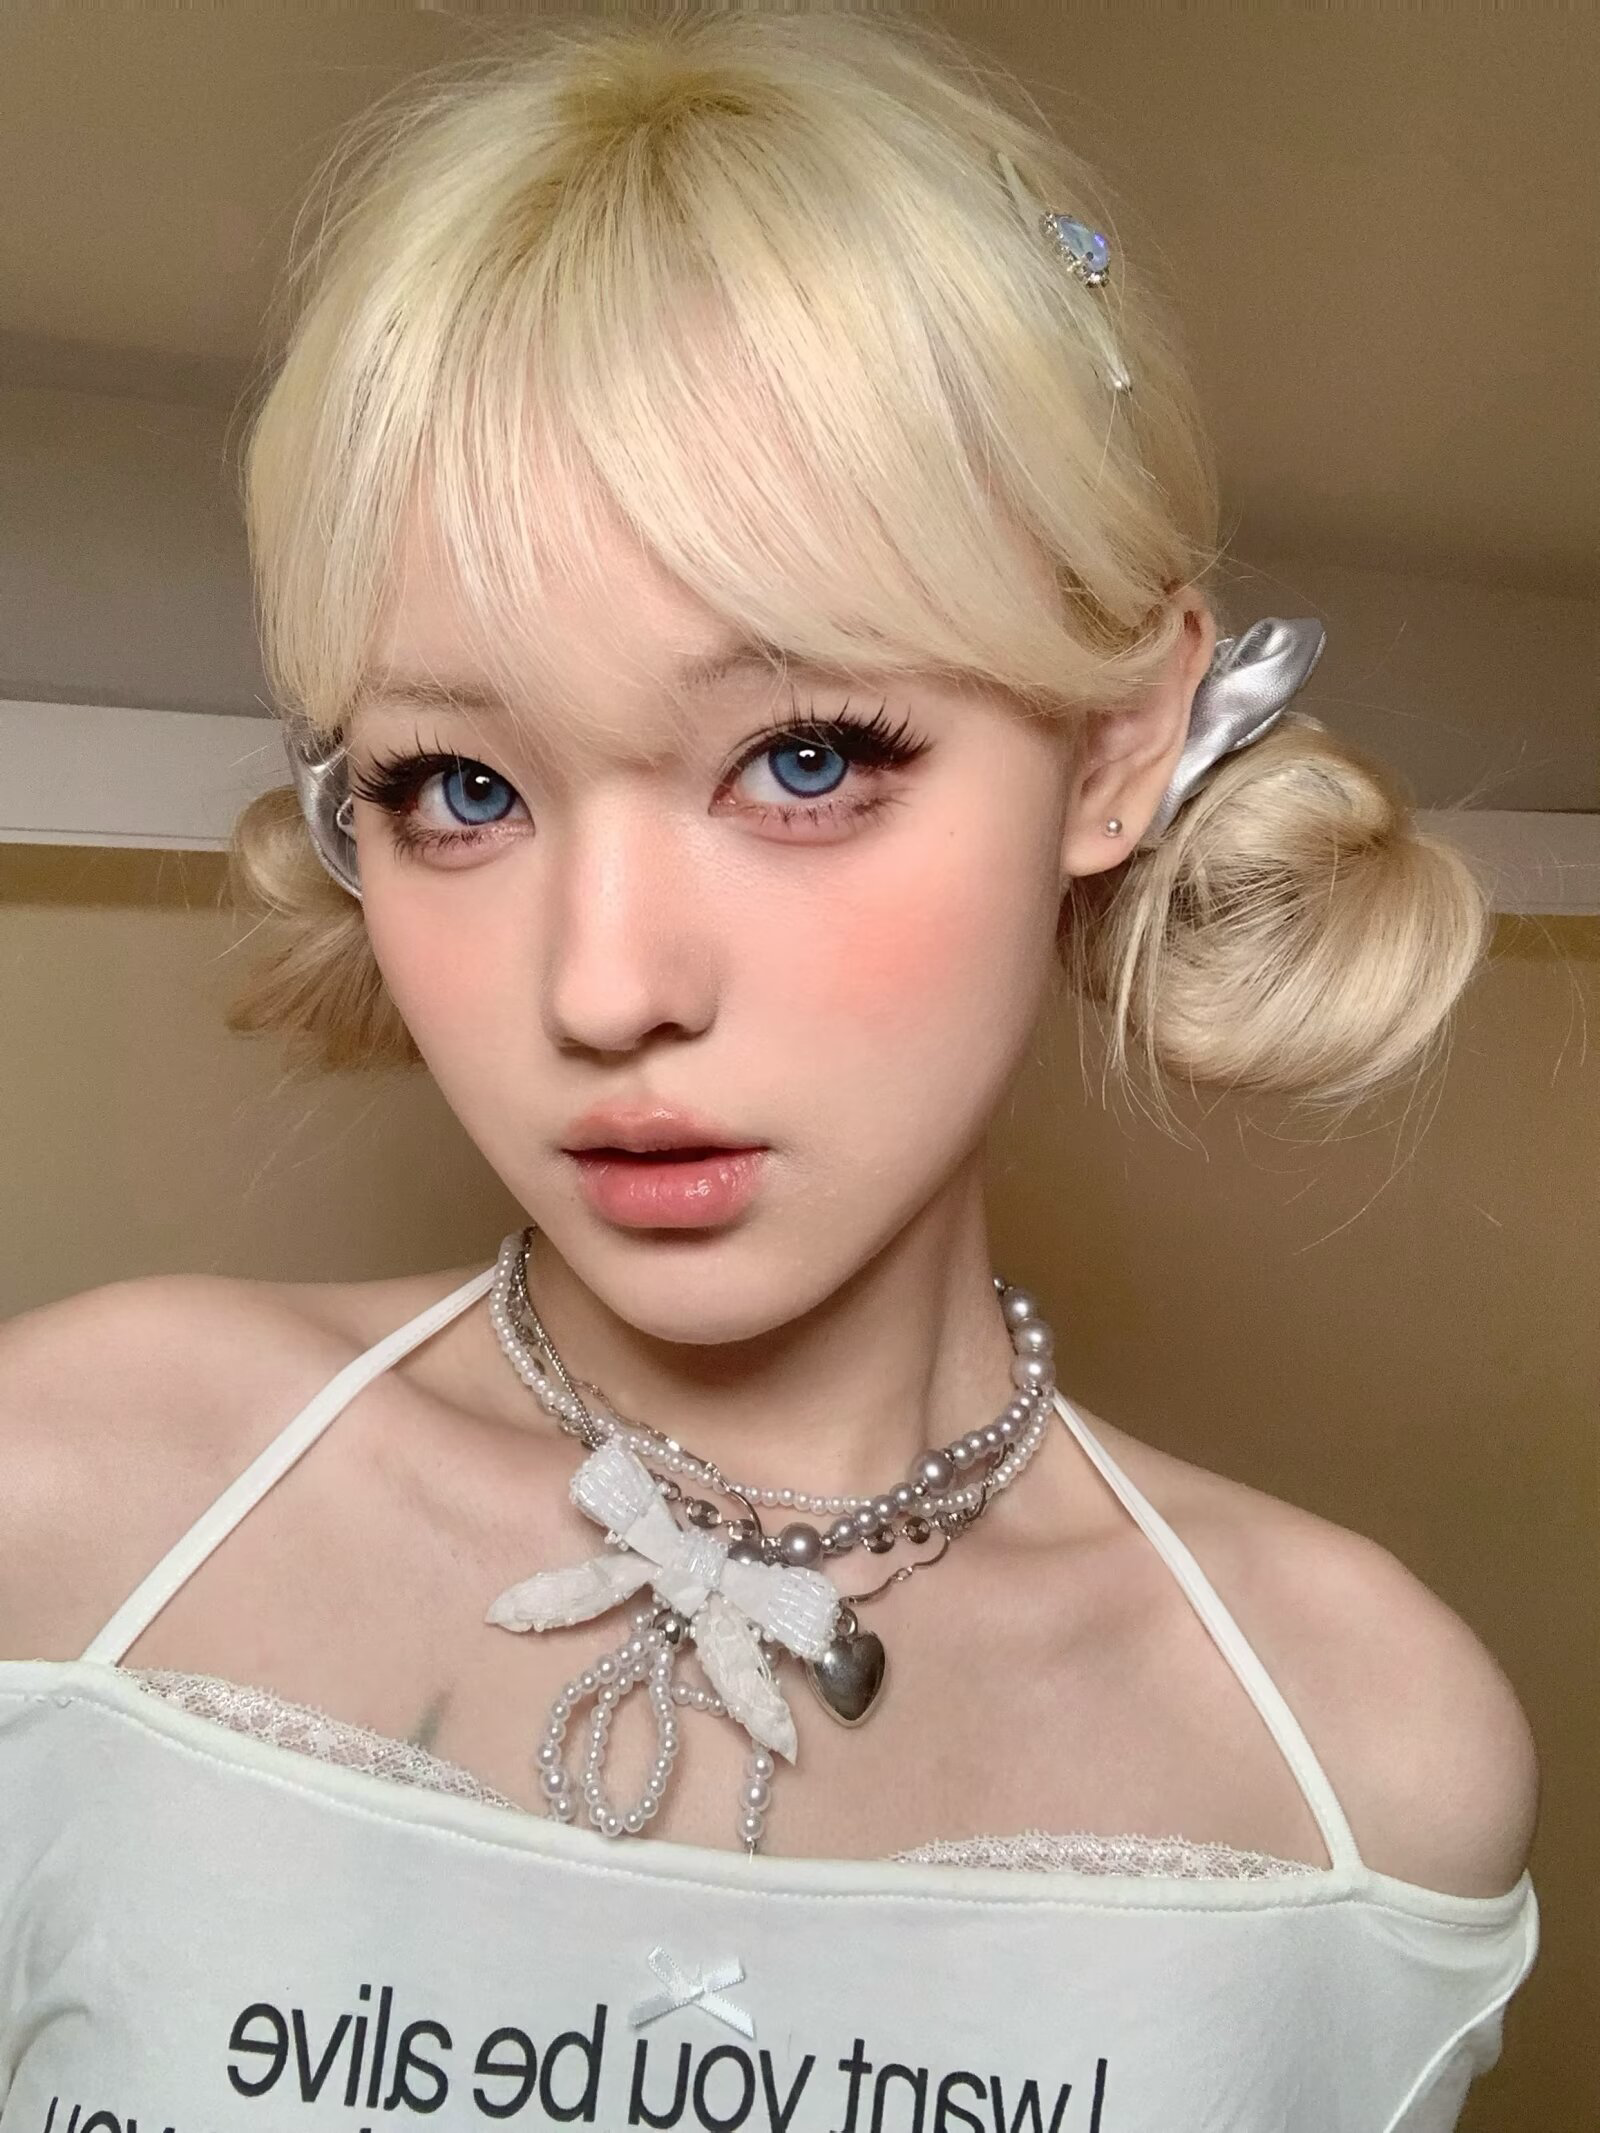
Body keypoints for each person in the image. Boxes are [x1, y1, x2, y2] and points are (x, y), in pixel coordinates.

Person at [0, 13, 1538, 2130]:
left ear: (1118, 747)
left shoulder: (1358, 1772)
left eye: (803, 760)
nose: (604, 987)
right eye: (459, 786)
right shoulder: (69, 1499)